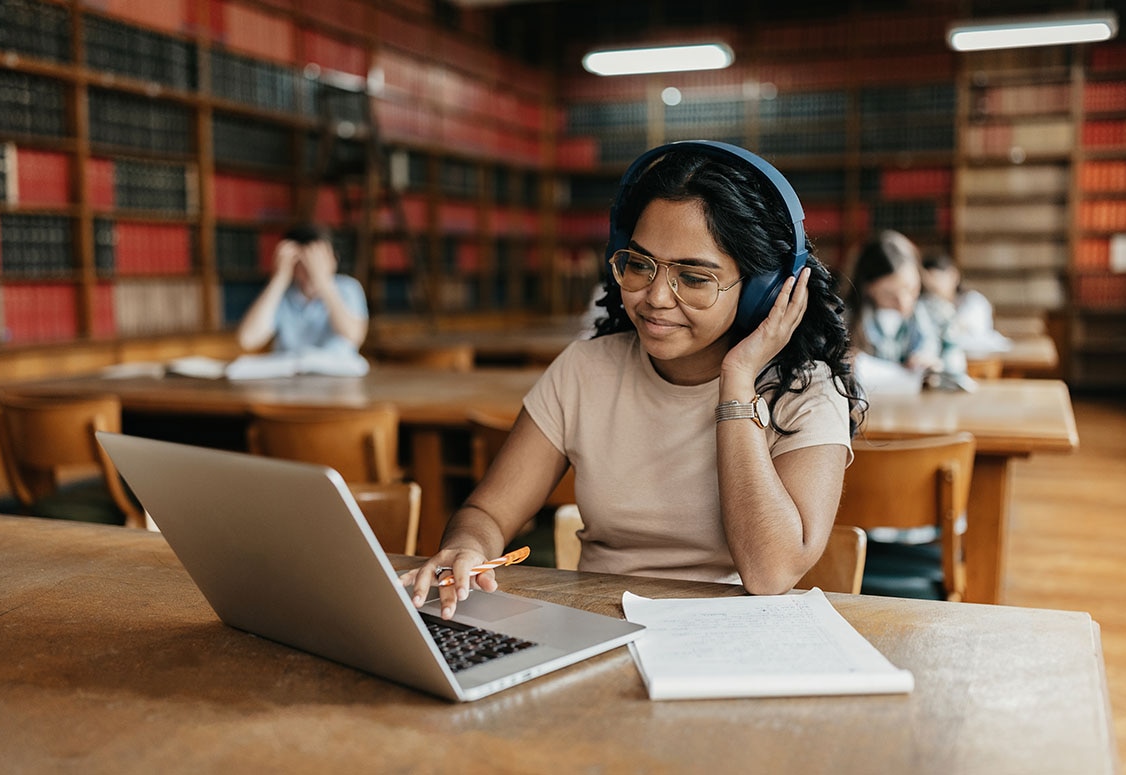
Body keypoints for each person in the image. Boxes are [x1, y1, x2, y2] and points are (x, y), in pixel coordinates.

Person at [403, 141, 865, 619]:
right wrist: (467, 546)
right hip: (599, 628)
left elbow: (771, 572)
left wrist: (738, 379)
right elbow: (488, 513)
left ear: (762, 290)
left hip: (737, 641)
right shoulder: (585, 370)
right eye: (640, 265)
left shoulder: (806, 392)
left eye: (694, 277)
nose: (655, 297)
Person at [235, 224, 369, 365]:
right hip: (289, 379)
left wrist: (324, 283)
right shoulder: (281, 294)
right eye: (301, 262)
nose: (309, 268)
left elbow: (354, 335)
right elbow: (247, 340)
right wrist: (279, 278)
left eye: (316, 260)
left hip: (338, 378)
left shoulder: (348, 288)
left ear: (334, 259)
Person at [843, 230, 967, 381]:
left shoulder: (939, 314)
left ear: (919, 276)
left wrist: (938, 367)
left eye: (910, 289)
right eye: (889, 295)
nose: (903, 304)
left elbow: (956, 366)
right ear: (868, 289)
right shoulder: (844, 321)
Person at [920, 251, 1010, 354]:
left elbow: (957, 328)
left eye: (936, 278)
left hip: (978, 360)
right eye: (927, 281)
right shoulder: (925, 303)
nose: (932, 285)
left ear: (953, 275)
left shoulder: (973, 301)